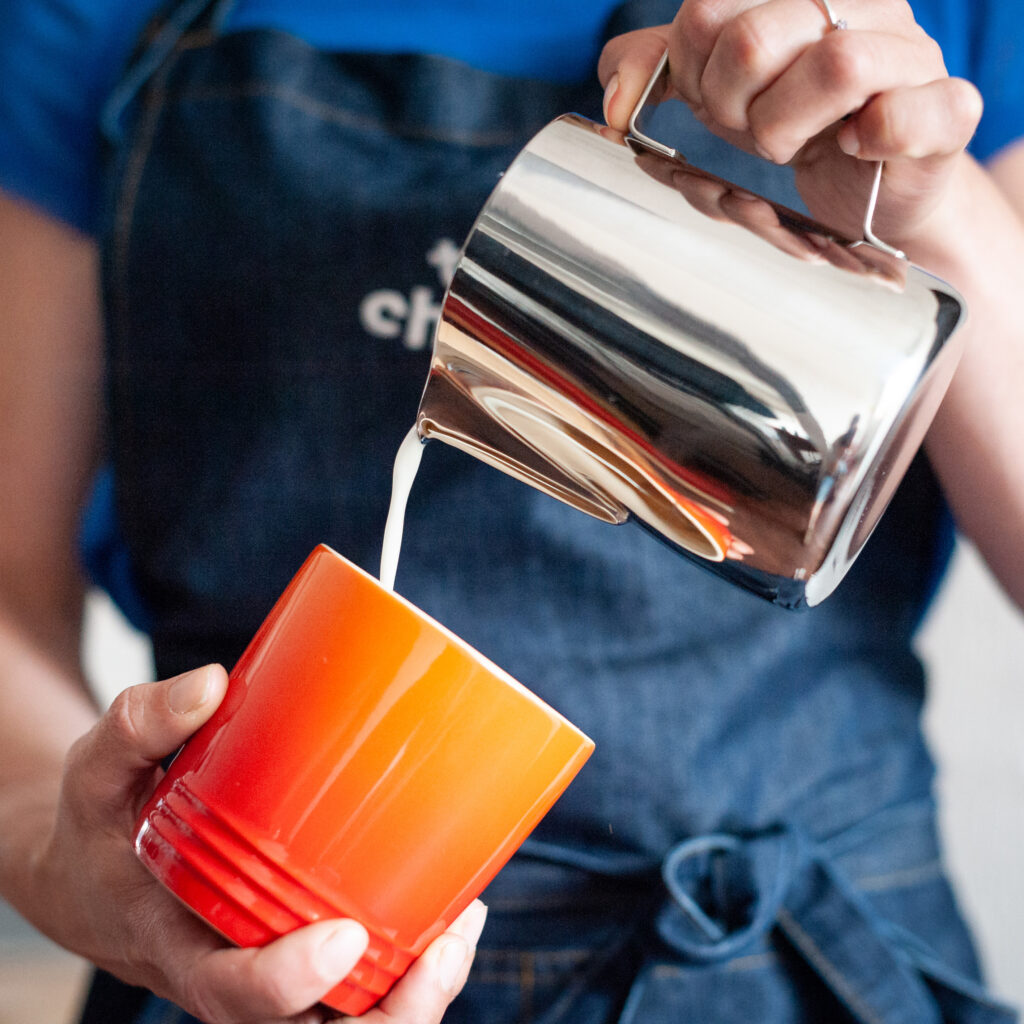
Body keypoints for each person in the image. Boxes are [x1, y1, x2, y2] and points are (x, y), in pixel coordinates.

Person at [1, 1, 1022, 1022]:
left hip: (791, 955)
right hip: (239, 934)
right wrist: (64, 851)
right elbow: (10, 590)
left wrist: (932, 203)